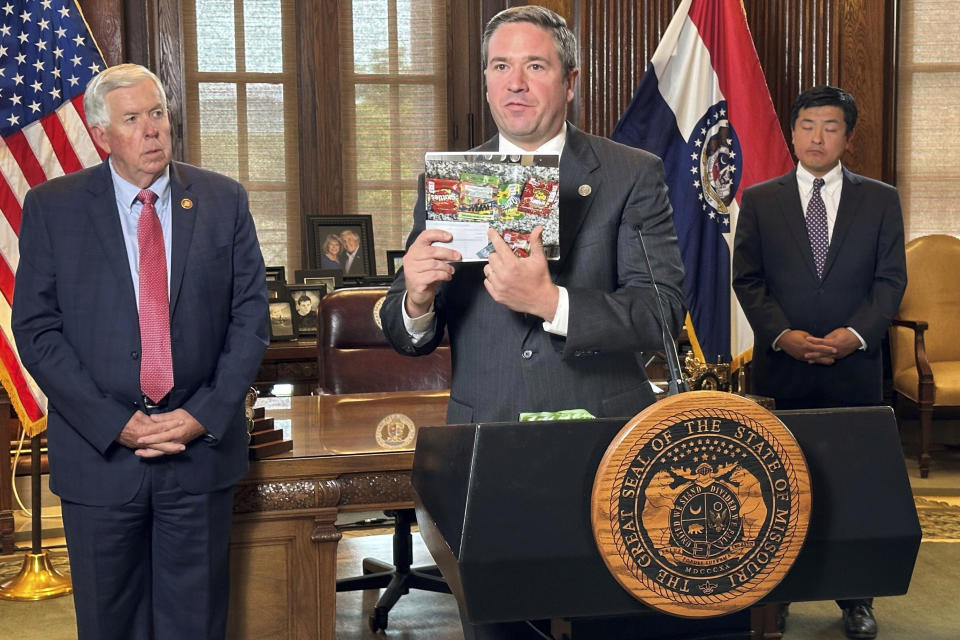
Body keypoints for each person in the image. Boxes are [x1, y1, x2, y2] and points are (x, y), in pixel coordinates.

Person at [379, 7, 685, 637]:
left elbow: (663, 313)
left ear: (569, 83)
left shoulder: (631, 175)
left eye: (535, 66)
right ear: (487, 82)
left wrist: (553, 305)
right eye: (501, 66)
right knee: (498, 627)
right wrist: (414, 299)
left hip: (604, 449)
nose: (515, 82)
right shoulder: (449, 180)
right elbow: (409, 330)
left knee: (612, 625)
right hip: (483, 445)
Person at [11, 64, 268, 640]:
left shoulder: (223, 200)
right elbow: (37, 330)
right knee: (109, 626)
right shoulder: (53, 207)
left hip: (197, 458)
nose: (153, 130)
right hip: (99, 461)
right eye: (133, 119)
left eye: (158, 113)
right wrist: (115, 423)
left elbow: (249, 320)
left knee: (195, 626)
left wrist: (202, 415)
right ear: (102, 135)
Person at [732, 85, 906, 640]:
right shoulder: (760, 200)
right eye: (807, 125)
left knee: (853, 485)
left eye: (830, 127)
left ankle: (856, 598)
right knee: (778, 487)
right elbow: (748, 280)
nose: (816, 137)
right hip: (783, 368)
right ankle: (777, 598)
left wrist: (855, 336)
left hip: (854, 369)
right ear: (792, 131)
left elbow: (890, 281)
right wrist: (783, 336)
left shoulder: (880, 199)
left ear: (848, 137)